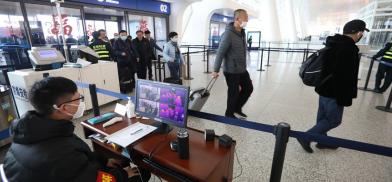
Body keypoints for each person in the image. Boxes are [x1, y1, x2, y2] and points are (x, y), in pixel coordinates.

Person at [3, 77, 151, 181]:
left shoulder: (29, 130)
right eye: (78, 99)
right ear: (64, 108)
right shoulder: (61, 154)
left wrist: (101, 160)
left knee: (119, 160)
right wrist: (123, 175)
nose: (81, 103)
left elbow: (77, 162)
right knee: (141, 172)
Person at [297, 20, 369, 153]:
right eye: (362, 32)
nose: (361, 35)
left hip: (323, 88)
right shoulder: (349, 48)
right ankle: (306, 137)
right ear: (358, 33)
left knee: (323, 117)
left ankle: (322, 141)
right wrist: (345, 97)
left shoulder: (334, 43)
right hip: (335, 92)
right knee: (333, 120)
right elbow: (345, 77)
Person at [212, 9, 254, 119]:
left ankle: (237, 108)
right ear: (237, 19)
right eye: (245, 18)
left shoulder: (242, 33)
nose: (247, 21)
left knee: (248, 88)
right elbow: (220, 53)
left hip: (242, 69)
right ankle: (229, 113)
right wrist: (215, 70)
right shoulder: (228, 35)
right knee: (233, 93)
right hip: (231, 70)